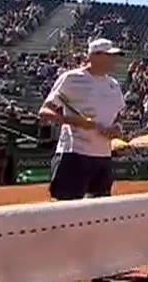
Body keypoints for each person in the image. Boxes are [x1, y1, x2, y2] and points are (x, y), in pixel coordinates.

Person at [37, 39, 126, 201]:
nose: (114, 60)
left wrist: (117, 127)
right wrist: (75, 121)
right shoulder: (71, 78)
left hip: (103, 157)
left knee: (98, 214)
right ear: (94, 56)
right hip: (74, 155)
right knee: (64, 211)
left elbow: (118, 114)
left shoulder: (113, 84)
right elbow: (45, 111)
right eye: (109, 56)